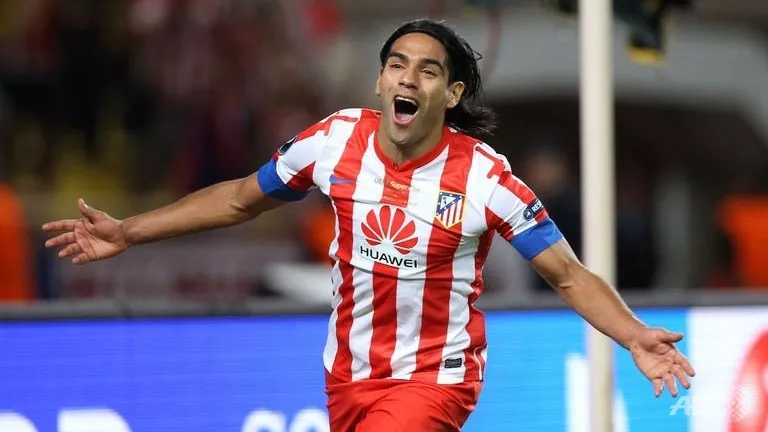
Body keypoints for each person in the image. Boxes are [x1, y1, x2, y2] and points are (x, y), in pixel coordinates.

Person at [43, 18, 695, 432]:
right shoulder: (332, 143)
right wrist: (127, 232)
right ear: (381, 81)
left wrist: (633, 335)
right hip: (347, 375)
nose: (409, 77)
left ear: (451, 95)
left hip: (434, 379)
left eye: (428, 70)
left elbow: (566, 274)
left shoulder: (484, 179)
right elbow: (240, 200)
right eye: (397, 64)